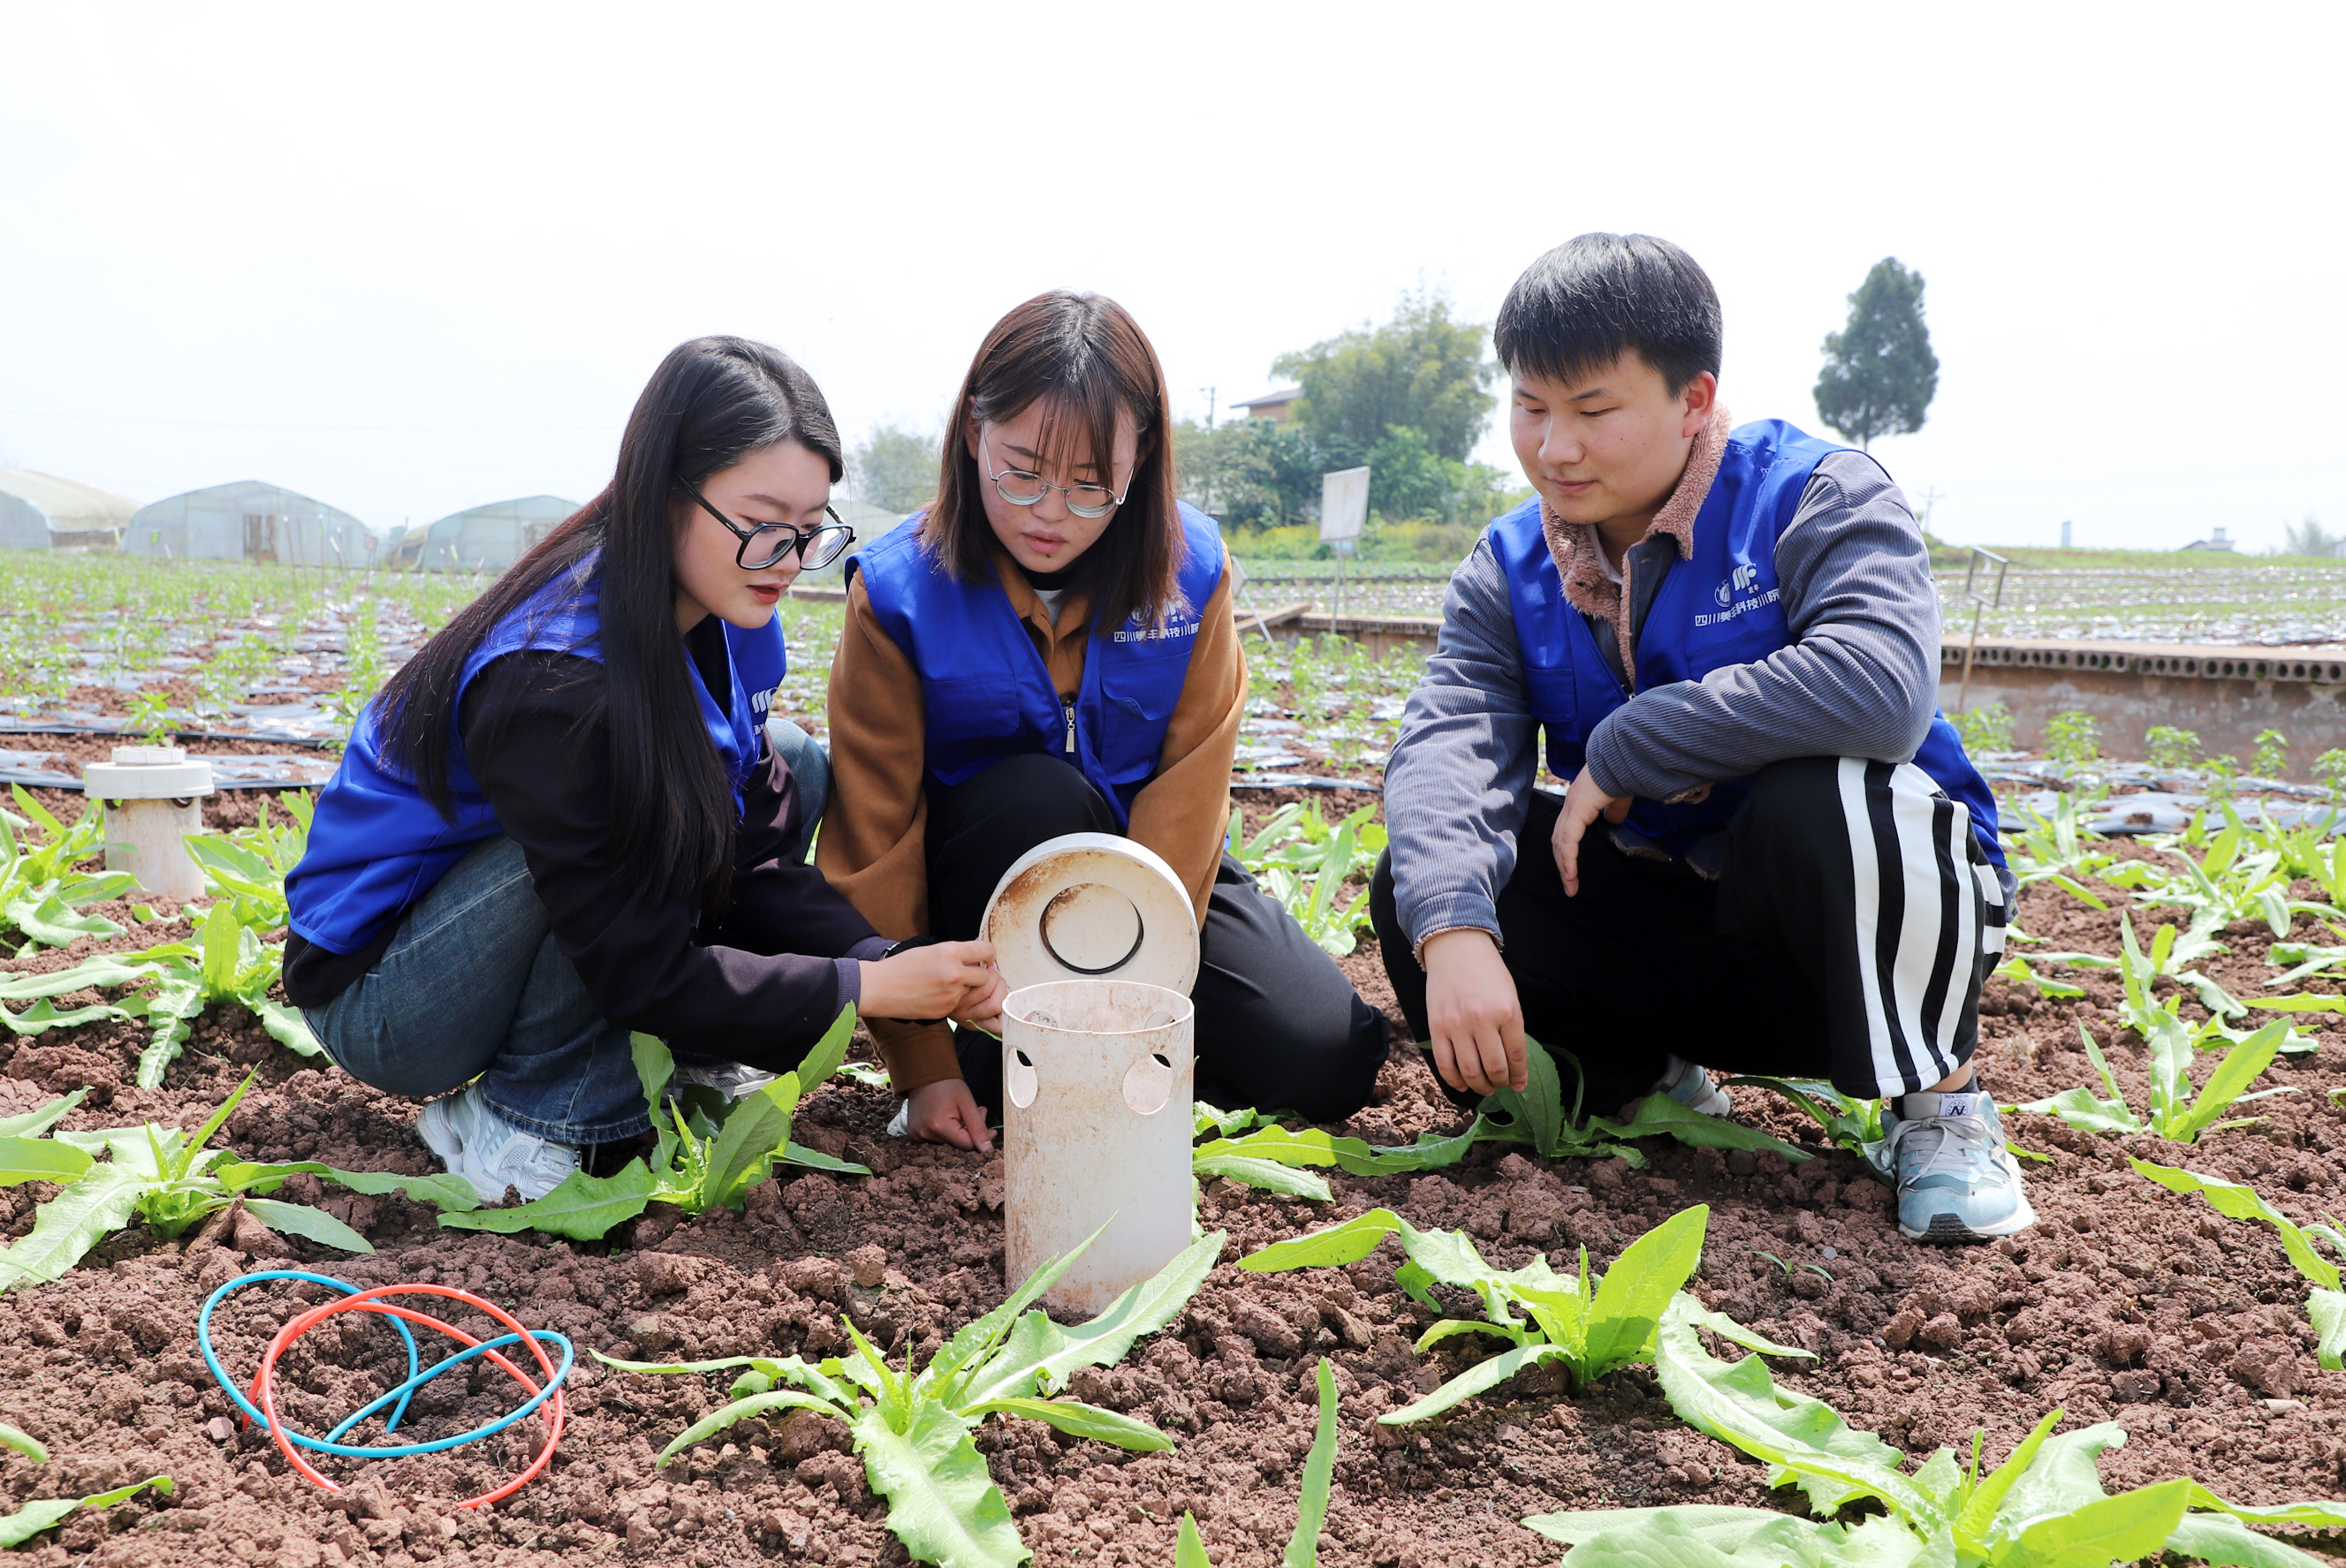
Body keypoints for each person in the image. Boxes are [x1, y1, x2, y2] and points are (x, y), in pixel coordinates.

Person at [1370, 234, 2033, 1243]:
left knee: (1824, 794)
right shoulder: (1510, 564)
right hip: (1680, 926)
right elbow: (1448, 743)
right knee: (1428, 882)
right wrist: (1452, 930)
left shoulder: (1814, 494)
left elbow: (1883, 687)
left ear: (1693, 400)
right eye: (1531, 407)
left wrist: (1638, 744)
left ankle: (1942, 1107)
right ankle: (1649, 1082)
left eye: (1593, 410)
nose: (1555, 447)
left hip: (1860, 944)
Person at [283, 337, 1006, 1202]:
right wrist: (870, 987)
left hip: (561, 908)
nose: (787, 557)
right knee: (654, 816)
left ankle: (684, 1061)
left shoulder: (735, 608)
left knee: (792, 764)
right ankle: (524, 1119)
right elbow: (639, 963)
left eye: (809, 529)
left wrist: (884, 958)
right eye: (763, 521)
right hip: (392, 987)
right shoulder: (552, 680)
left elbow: (760, 860)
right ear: (667, 493)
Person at [818, 290, 1388, 1151]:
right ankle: (983, 1058)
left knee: (1327, 1058)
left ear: (1141, 458)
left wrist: (1145, 1004)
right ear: (973, 430)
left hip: (1144, 884)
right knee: (1039, 797)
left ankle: (1068, 1058)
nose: (1051, 511)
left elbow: (1189, 794)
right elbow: (874, 842)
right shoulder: (899, 593)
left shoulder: (1188, 572)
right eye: (1022, 470)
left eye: (1092, 484)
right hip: (977, 907)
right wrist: (922, 1063)